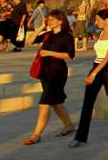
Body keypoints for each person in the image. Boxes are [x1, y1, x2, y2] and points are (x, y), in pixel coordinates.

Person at [69, 9, 108, 148]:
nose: (97, 22)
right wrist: (94, 71)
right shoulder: (100, 33)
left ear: (106, 20)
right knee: (88, 102)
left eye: (98, 20)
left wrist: (94, 73)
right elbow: (100, 55)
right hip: (97, 65)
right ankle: (81, 137)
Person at [23, 10, 76, 145]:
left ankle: (36, 135)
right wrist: (40, 28)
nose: (49, 21)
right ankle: (69, 125)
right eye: (49, 19)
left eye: (52, 19)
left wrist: (50, 53)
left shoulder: (66, 36)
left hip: (57, 73)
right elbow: (29, 41)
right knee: (56, 102)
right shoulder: (48, 35)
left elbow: (70, 55)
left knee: (44, 103)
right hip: (45, 72)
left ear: (60, 21)